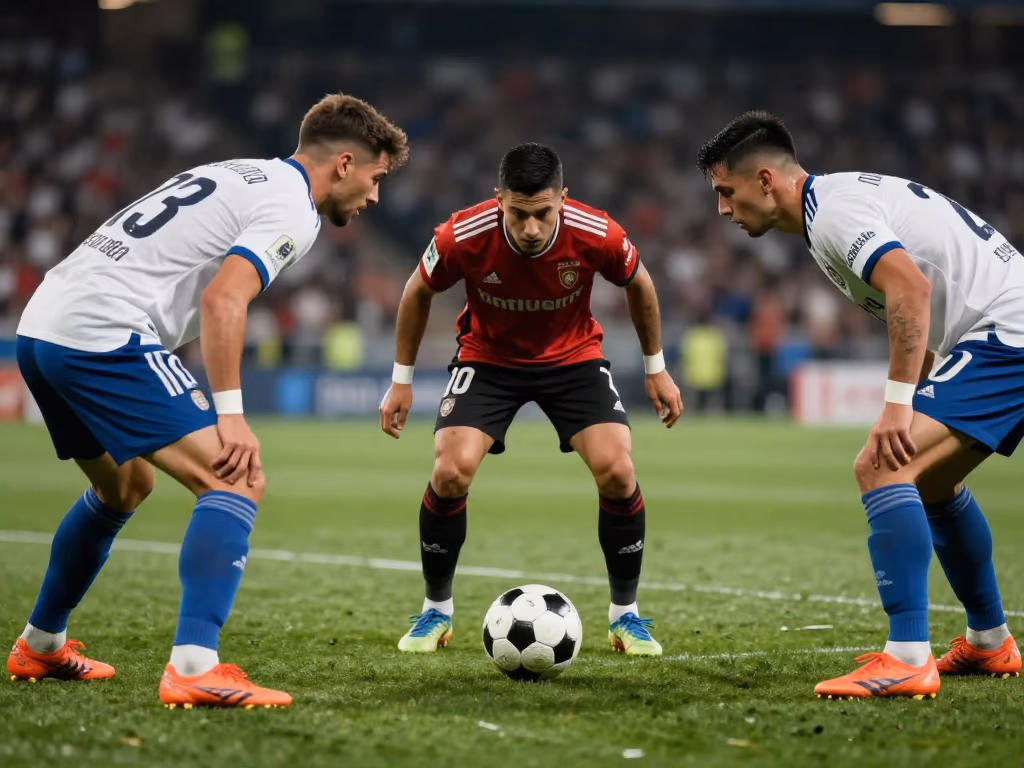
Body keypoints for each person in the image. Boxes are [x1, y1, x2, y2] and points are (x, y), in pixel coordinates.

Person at [7, 94, 408, 708]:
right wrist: (232, 416)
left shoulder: (237, 172)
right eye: (377, 179)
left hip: (43, 327)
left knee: (124, 487)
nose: (376, 197)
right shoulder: (293, 208)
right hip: (102, 332)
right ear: (346, 163)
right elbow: (224, 300)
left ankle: (40, 643)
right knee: (236, 479)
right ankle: (195, 666)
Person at [696, 111, 1022, 699]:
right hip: (997, 331)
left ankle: (906, 657)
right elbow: (919, 298)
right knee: (930, 483)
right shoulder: (830, 210)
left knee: (882, 466)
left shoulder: (835, 214)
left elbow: (910, 290)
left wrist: (897, 406)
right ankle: (990, 640)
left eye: (726, 191)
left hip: (1006, 333)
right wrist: (911, 396)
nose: (722, 209)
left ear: (765, 180)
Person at [378, 143, 683, 657]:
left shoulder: (597, 233)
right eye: (518, 215)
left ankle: (625, 618)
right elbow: (417, 291)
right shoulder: (462, 235)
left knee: (617, 470)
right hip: (488, 359)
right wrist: (401, 379)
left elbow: (640, 285)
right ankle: (436, 611)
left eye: (543, 214)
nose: (532, 229)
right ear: (498, 200)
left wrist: (656, 369)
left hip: (573, 360)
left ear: (563, 199)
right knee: (450, 471)